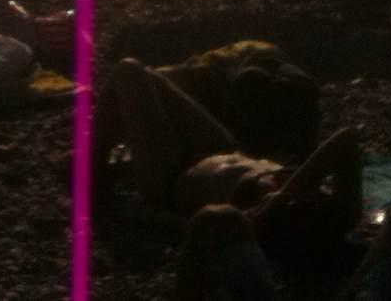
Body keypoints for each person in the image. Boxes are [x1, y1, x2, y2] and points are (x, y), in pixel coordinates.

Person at [95, 58, 363, 264]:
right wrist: (283, 194)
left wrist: (141, 215)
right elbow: (346, 140)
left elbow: (193, 227)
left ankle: (91, 171)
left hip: (171, 176)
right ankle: (97, 153)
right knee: (149, 76)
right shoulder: (341, 212)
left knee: (128, 72)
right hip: (223, 148)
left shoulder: (258, 229)